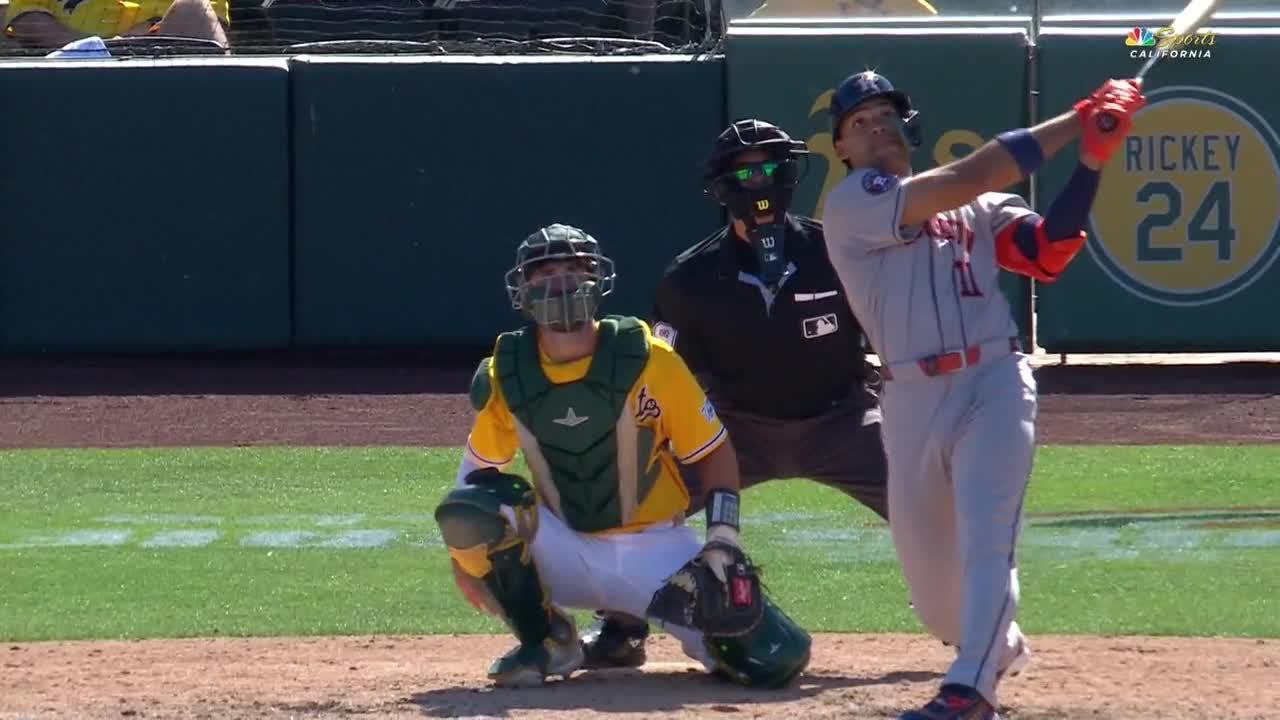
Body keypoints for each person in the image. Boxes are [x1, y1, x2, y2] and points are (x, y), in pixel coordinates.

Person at [819, 70, 1145, 719]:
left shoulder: (980, 209)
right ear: (843, 149)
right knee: (938, 605)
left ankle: (970, 689)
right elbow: (972, 174)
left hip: (993, 381)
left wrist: (1090, 162)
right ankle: (996, 644)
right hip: (909, 399)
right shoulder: (854, 202)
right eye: (860, 123)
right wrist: (1079, 118)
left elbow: (1048, 253)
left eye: (886, 116)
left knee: (987, 538)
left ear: (907, 128)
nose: (877, 128)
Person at [434, 223, 811, 689]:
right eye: (546, 273)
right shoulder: (506, 372)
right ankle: (548, 637)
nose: (561, 283)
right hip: (562, 549)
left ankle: (626, 633)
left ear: (597, 280)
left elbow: (714, 452)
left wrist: (723, 538)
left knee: (775, 658)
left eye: (574, 270)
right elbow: (474, 476)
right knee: (467, 510)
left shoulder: (650, 358)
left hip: (655, 553)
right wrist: (465, 559)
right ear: (523, 289)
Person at [578, 118, 891, 670]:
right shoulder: (690, 280)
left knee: (930, 493)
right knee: (638, 499)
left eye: (771, 168)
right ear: (722, 186)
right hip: (734, 432)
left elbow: (892, 331)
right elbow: (667, 376)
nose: (760, 183)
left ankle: (972, 620)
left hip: (844, 421)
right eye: (746, 174)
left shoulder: (839, 251)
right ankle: (622, 628)